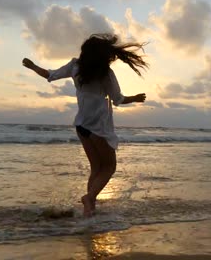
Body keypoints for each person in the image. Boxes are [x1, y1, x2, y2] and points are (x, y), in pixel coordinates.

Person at [22, 33, 148, 217]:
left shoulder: (75, 67)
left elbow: (50, 74)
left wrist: (33, 66)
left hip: (81, 126)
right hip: (98, 127)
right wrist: (135, 98)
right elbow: (118, 99)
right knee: (109, 167)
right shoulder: (105, 74)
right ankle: (89, 198)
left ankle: (89, 210)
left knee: (96, 168)